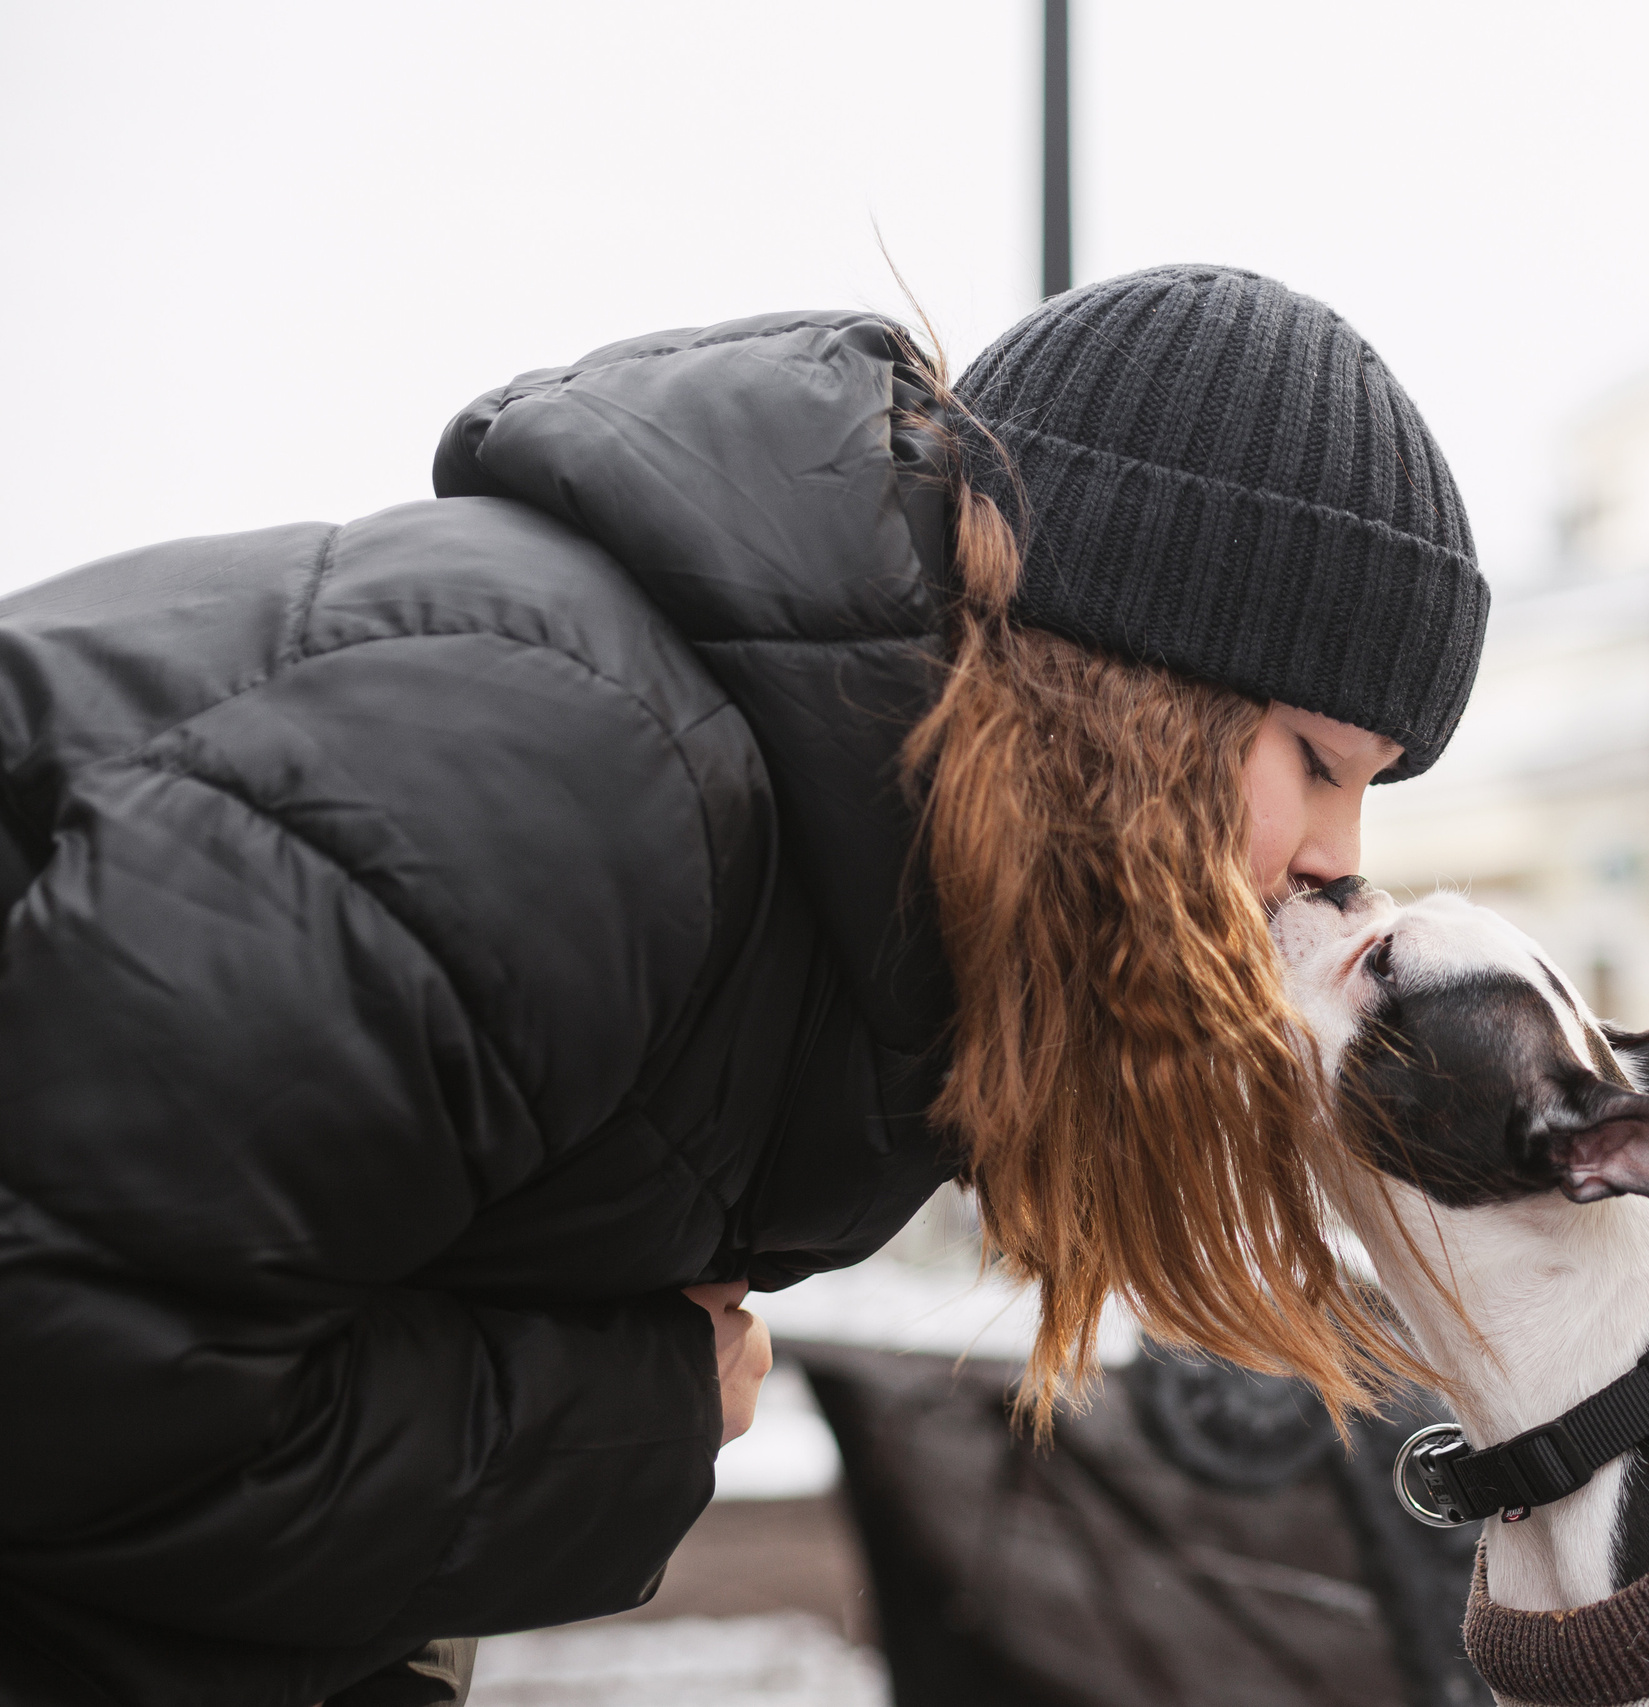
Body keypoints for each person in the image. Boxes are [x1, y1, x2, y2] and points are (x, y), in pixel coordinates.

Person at [0, 266, 1487, 1705]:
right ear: (1140, 686)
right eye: (1320, 762)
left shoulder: (873, 928)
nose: (1342, 859)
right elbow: (68, 1366)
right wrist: (640, 1416)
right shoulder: (580, 778)